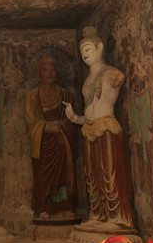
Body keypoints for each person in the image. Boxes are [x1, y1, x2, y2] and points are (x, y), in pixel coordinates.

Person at [63, 27, 134, 230]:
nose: (84, 54)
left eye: (87, 49)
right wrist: (74, 117)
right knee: (93, 176)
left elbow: (105, 101)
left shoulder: (111, 74)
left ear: (100, 48)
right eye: (81, 51)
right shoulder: (87, 81)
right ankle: (98, 214)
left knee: (110, 172)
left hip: (107, 128)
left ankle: (117, 217)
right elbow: (88, 115)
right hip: (90, 130)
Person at [24, 57, 78, 220]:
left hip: (62, 143)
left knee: (65, 174)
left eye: (53, 70)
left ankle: (65, 205)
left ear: (58, 73)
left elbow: (72, 123)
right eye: (45, 70)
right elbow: (31, 122)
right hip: (42, 143)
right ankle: (43, 207)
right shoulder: (32, 96)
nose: (49, 74)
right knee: (42, 176)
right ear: (38, 74)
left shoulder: (66, 96)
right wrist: (48, 126)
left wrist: (61, 127)